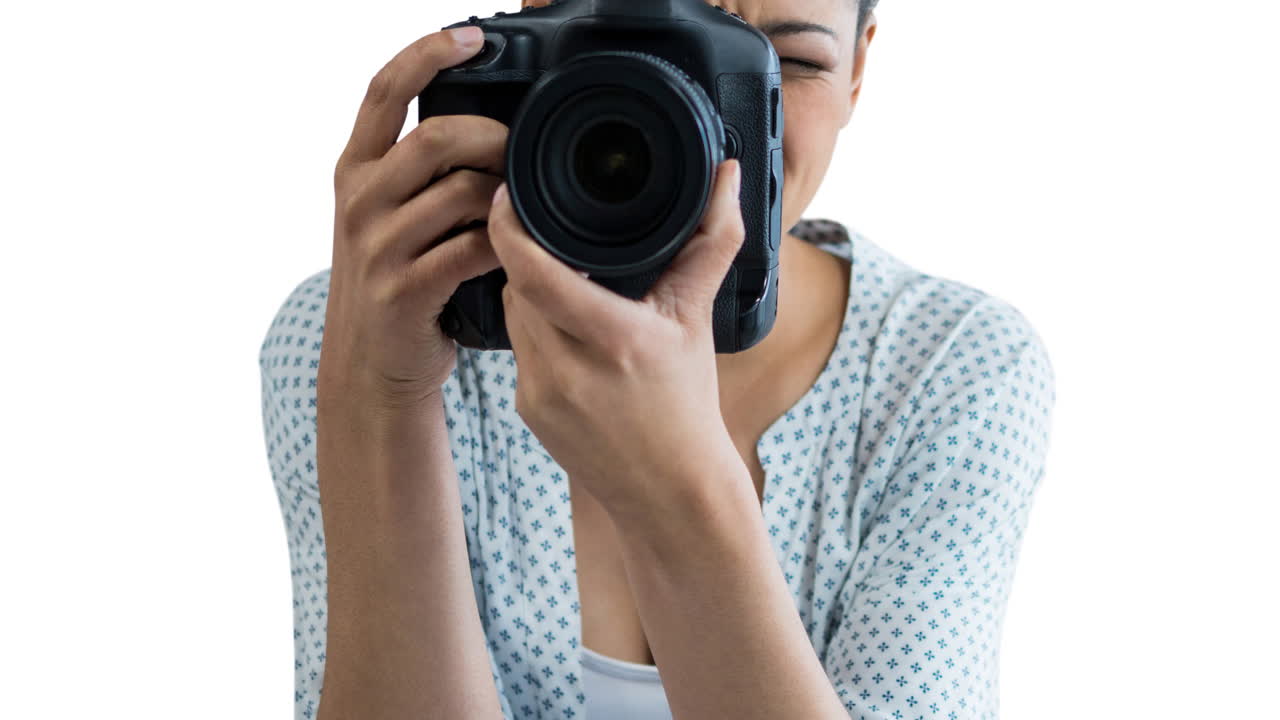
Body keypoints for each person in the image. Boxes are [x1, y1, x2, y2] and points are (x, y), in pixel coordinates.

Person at [258, 0, 1056, 718]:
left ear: (858, 73)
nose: (702, 124)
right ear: (540, 23)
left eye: (790, 64)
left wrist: (678, 492)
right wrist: (382, 395)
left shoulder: (948, 367)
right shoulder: (387, 325)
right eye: (651, 53)